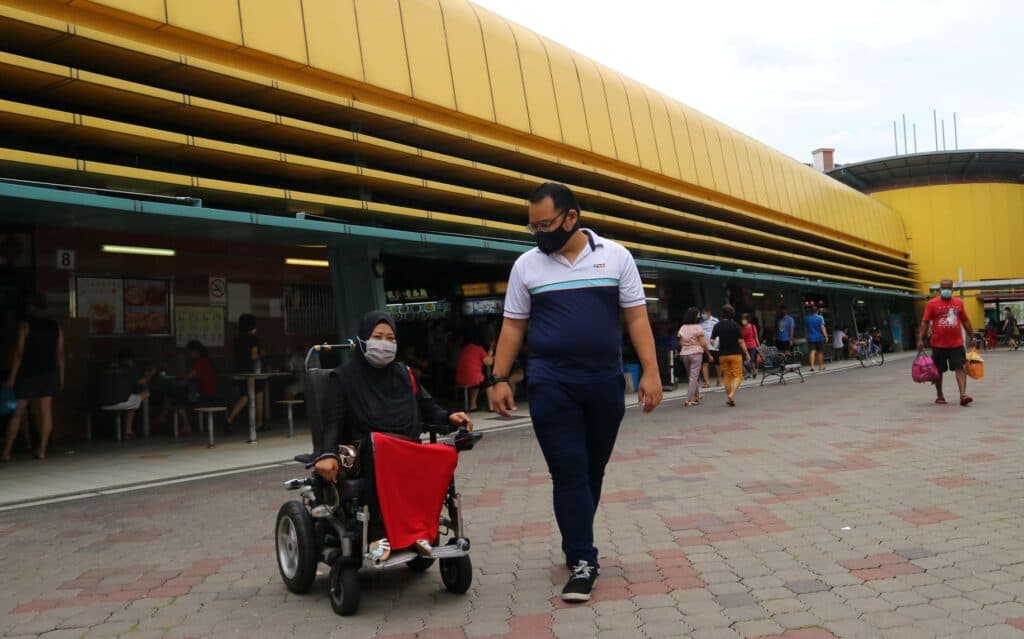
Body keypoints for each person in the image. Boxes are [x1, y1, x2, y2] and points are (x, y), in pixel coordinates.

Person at [487, 182, 662, 603]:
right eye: (533, 227)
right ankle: (584, 560)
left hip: (603, 381)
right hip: (551, 382)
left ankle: (575, 540)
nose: (539, 233)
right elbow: (513, 325)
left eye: (545, 224)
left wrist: (651, 372)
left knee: (591, 470)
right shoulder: (526, 266)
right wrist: (498, 378)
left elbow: (637, 320)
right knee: (568, 471)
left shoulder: (615, 256)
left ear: (571, 217)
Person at [313, 311, 472, 558]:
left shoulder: (405, 375)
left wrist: (450, 417)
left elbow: (430, 408)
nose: (384, 343)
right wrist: (325, 454)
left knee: (444, 453)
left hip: (404, 449)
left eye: (390, 338)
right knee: (381, 445)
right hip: (363, 451)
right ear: (363, 339)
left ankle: (420, 530)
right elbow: (331, 424)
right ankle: (377, 534)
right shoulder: (343, 378)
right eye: (378, 336)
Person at [2, 293, 63, 461]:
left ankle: (6, 452)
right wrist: (61, 377)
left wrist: (12, 378)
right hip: (49, 373)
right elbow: (60, 353)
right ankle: (42, 450)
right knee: (46, 412)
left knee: (17, 413)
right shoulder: (55, 326)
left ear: (32, 307)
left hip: (28, 374)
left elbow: (19, 354)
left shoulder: (25, 325)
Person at [917, 279, 975, 406]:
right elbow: (925, 322)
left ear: (952, 289)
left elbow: (965, 320)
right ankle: (940, 395)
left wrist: (972, 336)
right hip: (938, 344)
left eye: (949, 288)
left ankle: (963, 395)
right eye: (944, 288)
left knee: (960, 367)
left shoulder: (959, 303)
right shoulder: (932, 304)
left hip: (956, 343)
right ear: (939, 289)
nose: (946, 290)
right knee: (938, 370)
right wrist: (921, 338)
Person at [99, 348, 153, 440]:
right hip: (121, 402)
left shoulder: (106, 367)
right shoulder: (127, 367)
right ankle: (128, 431)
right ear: (130, 360)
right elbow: (142, 381)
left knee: (131, 399)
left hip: (103, 403)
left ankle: (127, 431)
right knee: (145, 394)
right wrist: (151, 373)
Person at [171, 340, 218, 435]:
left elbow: (188, 376)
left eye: (189, 352)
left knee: (176, 398)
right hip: (206, 392)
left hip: (205, 394)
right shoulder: (204, 360)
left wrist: (177, 375)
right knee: (177, 396)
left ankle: (186, 425)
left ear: (195, 351)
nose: (188, 354)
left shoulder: (201, 362)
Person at [226, 313, 264, 434]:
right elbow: (254, 356)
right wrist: (261, 354)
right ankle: (258, 424)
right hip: (253, 373)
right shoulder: (254, 339)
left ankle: (229, 419)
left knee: (245, 397)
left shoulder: (237, 339)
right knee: (258, 396)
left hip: (240, 372)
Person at [711, 305, 750, 407]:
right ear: (733, 314)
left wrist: (716, 344)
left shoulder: (717, 325)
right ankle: (732, 394)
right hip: (735, 354)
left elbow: (712, 340)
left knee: (727, 376)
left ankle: (729, 398)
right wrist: (746, 353)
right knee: (738, 375)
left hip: (722, 355)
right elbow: (741, 341)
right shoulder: (735, 325)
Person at [677, 307, 713, 406]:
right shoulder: (698, 327)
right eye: (698, 314)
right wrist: (709, 354)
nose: (699, 315)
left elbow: (680, 342)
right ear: (694, 316)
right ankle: (689, 399)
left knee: (691, 376)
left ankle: (696, 396)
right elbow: (703, 343)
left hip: (684, 353)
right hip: (696, 353)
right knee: (694, 377)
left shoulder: (682, 327)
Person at [454, 331, 494, 411]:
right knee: (488, 383)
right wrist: (490, 352)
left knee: (476, 383)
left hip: (460, 378)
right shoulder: (479, 349)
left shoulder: (463, 349)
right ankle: (491, 407)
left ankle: (473, 405)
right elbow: (488, 362)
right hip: (473, 378)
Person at [700, 307, 721, 388]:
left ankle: (719, 379)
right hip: (705, 346)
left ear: (709, 313)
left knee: (717, 364)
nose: (703, 315)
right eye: (702, 314)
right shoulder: (700, 322)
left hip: (715, 345)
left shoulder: (716, 320)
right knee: (705, 364)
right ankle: (706, 382)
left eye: (704, 313)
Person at [804, 305, 828, 371]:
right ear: (817, 311)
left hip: (810, 338)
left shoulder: (807, 318)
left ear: (810, 312)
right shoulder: (820, 317)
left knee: (812, 351)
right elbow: (822, 328)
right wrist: (826, 336)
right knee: (820, 352)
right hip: (819, 338)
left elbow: (806, 329)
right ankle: (820, 367)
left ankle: (812, 367)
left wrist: (806, 336)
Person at [740, 313, 760, 379]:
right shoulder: (741, 328)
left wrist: (759, 346)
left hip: (752, 346)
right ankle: (749, 372)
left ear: (747, 320)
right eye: (742, 319)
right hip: (744, 347)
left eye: (744, 319)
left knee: (751, 360)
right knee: (745, 361)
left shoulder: (752, 326)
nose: (743, 320)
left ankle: (754, 371)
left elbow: (756, 337)